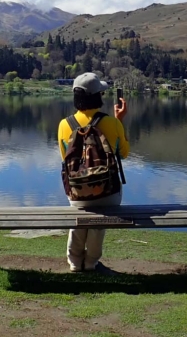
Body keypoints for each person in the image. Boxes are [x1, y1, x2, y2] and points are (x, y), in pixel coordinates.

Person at [57, 72, 129, 274]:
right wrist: (120, 121)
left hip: (77, 193)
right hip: (108, 193)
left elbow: (65, 159)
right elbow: (123, 153)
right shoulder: (112, 123)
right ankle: (90, 263)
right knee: (98, 222)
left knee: (79, 219)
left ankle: (74, 262)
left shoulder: (65, 125)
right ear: (97, 96)